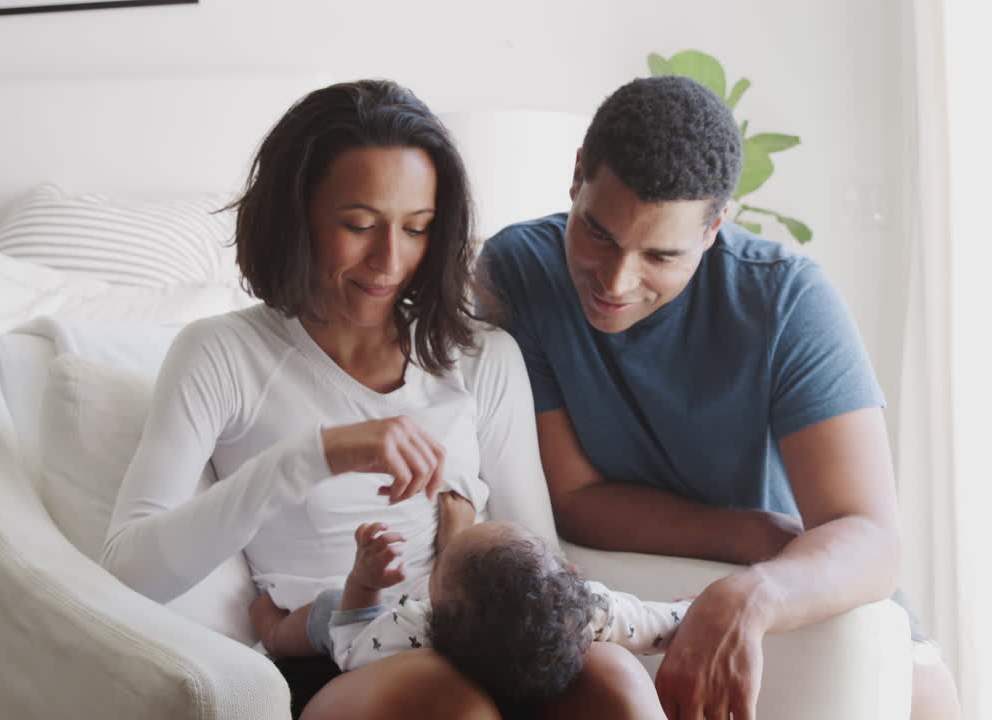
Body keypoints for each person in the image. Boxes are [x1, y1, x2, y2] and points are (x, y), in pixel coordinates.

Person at [101, 79, 660, 720]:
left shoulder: (484, 357)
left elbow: (537, 555)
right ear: (297, 215)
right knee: (449, 705)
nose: (389, 261)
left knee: (615, 681)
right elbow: (126, 573)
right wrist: (317, 455)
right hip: (338, 653)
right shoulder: (223, 355)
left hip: (485, 639)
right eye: (360, 225)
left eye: (416, 228)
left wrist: (462, 542)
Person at [478, 76, 962, 720]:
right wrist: (755, 534)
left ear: (714, 229)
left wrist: (749, 595)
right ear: (576, 177)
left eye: (660, 254)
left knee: (925, 698)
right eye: (598, 233)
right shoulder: (519, 269)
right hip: (730, 557)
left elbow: (871, 535)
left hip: (795, 579)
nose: (617, 281)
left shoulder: (786, 301)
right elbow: (574, 500)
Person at [251, 491, 691, 710]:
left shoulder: (411, 632)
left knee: (330, 609)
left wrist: (363, 582)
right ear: (571, 574)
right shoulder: (588, 610)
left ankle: (272, 630)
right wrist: (692, 609)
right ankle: (455, 543)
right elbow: (658, 624)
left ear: (429, 611)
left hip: (433, 691)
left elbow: (349, 644)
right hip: (532, 704)